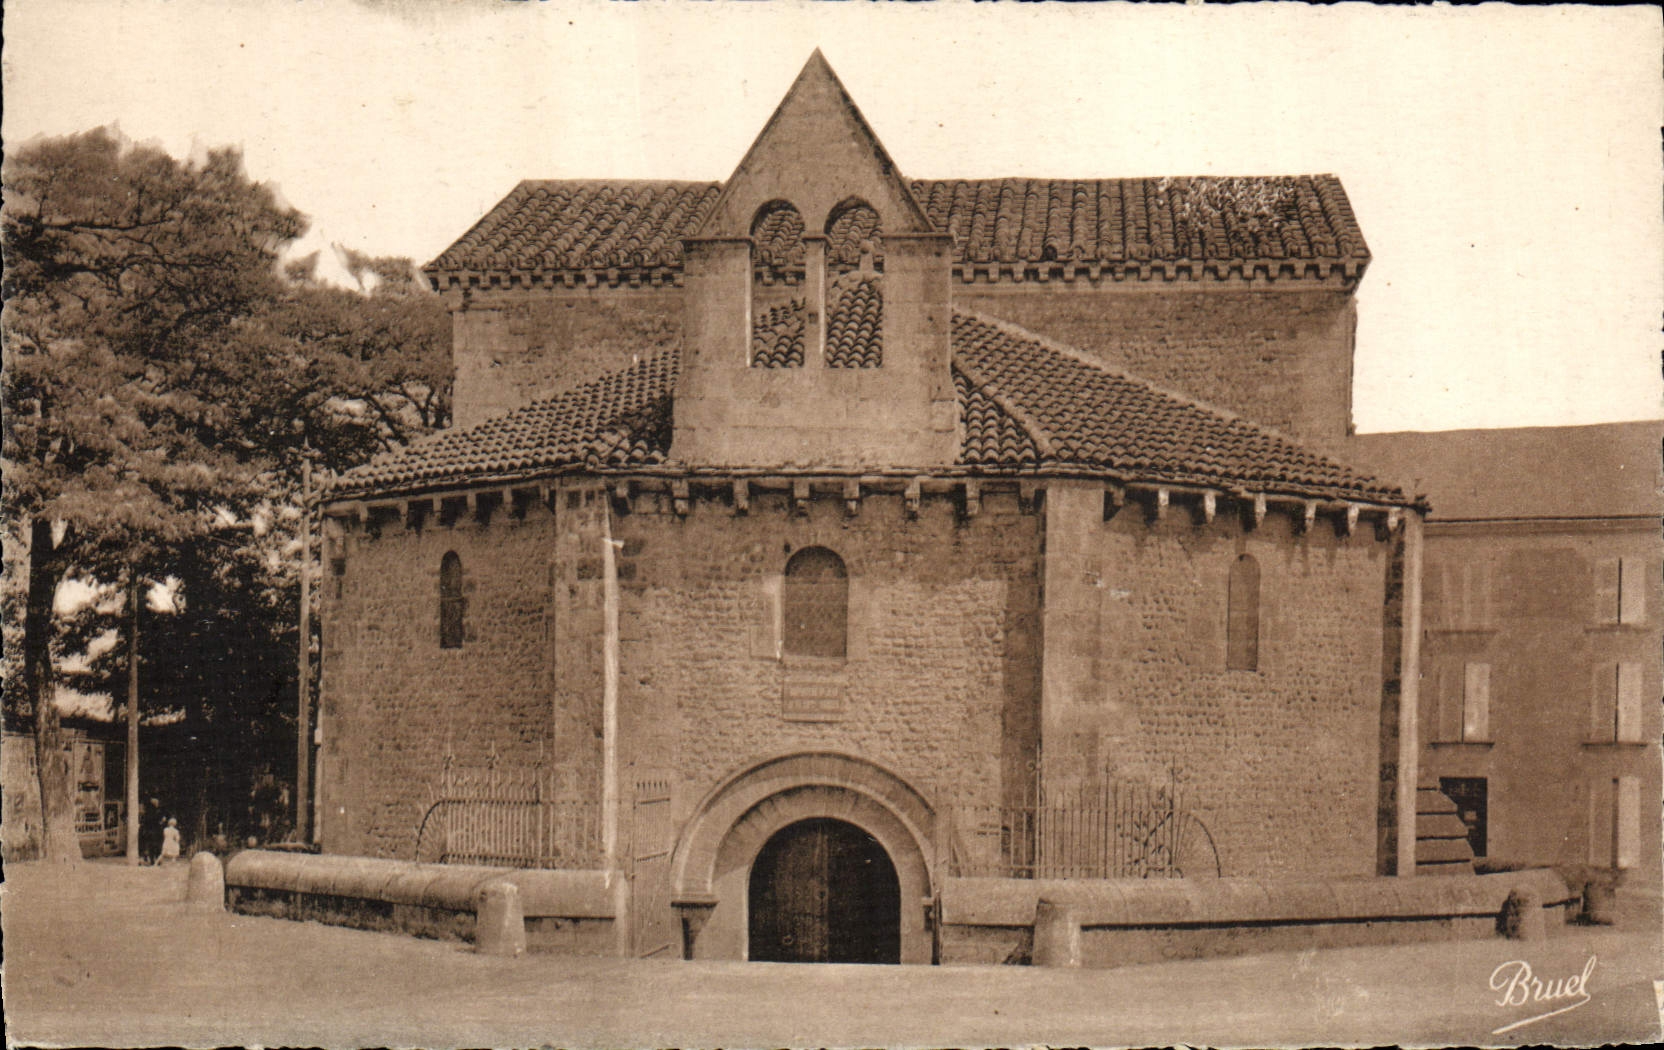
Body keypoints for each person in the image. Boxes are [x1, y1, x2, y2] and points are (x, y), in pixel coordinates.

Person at [139, 797, 163, 864]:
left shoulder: (147, 812)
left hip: (148, 831)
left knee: (151, 846)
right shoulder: (158, 812)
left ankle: (152, 860)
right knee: (158, 846)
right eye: (157, 803)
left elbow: (144, 822)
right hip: (157, 831)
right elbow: (160, 821)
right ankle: (158, 860)